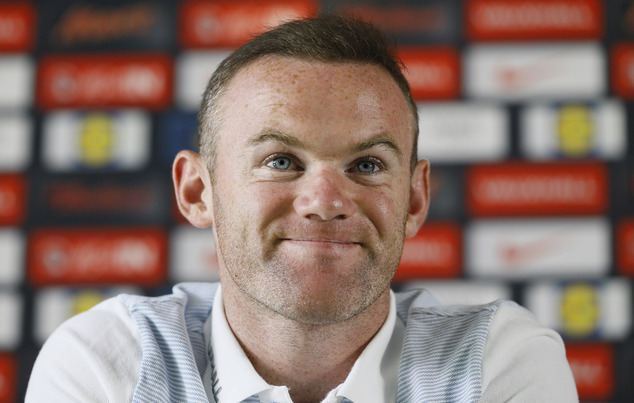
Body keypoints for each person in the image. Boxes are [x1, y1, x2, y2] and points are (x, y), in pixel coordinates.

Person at [26, 15, 578, 403]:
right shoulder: (108, 362)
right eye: (281, 161)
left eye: (366, 165)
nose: (324, 203)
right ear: (198, 192)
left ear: (414, 199)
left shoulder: (496, 360)